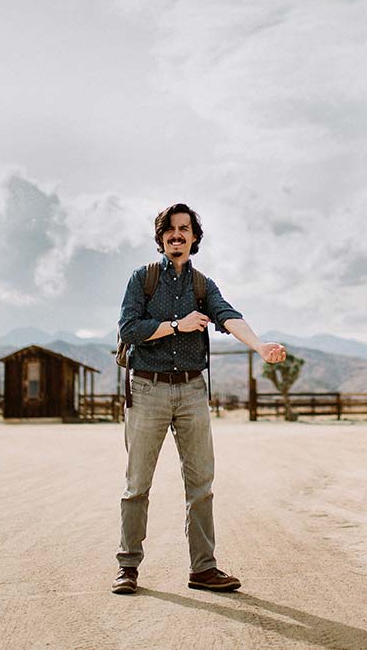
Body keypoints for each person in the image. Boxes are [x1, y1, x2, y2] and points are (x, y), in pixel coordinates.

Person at [112, 202, 286, 595]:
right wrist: (177, 326)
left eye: (185, 229)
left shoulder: (203, 286)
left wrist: (259, 346)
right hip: (146, 388)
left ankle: (203, 569)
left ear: (194, 237)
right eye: (171, 229)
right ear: (161, 238)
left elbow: (227, 315)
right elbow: (129, 328)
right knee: (137, 484)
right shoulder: (143, 279)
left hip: (192, 390)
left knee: (201, 485)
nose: (177, 235)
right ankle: (127, 567)